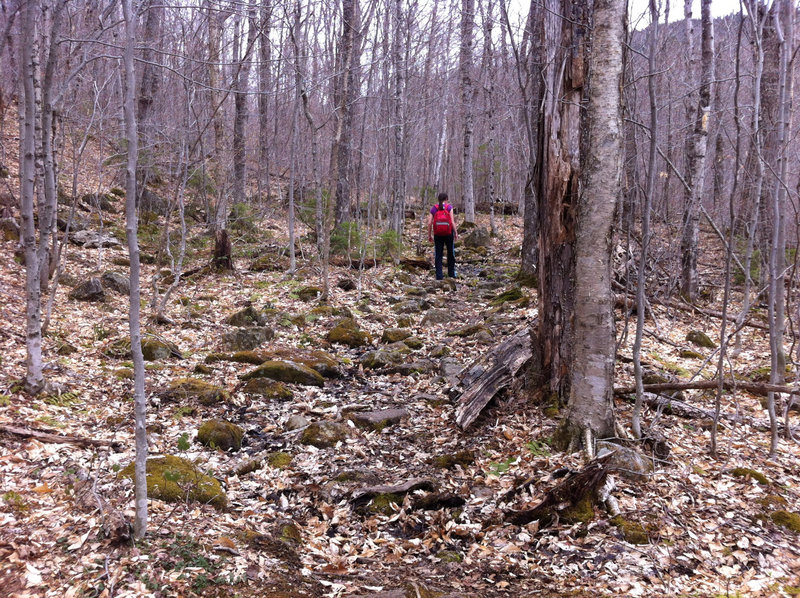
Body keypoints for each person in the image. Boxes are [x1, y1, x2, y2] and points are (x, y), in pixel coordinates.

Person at [427, 192, 458, 280]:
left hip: (437, 234)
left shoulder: (434, 208)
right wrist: (455, 232)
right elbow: (452, 222)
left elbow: (429, 223)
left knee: (438, 254)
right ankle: (451, 274)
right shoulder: (449, 207)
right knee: (450, 253)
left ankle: (439, 276)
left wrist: (429, 235)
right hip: (448, 233)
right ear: (446, 199)